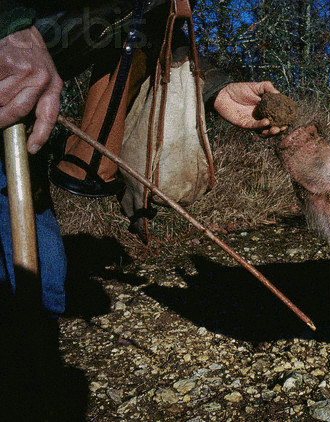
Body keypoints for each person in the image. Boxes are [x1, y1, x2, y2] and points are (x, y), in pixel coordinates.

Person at [0, 1, 285, 417]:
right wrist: (9, 26)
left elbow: (155, 39)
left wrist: (216, 89)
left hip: (15, 130)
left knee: (43, 285)